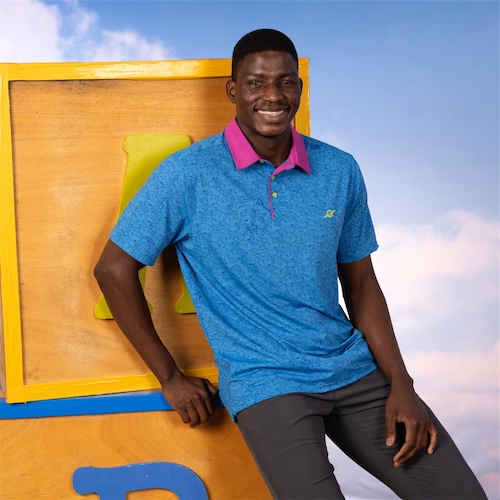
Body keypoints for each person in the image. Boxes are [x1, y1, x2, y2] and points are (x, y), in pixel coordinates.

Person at [94, 28, 486, 499]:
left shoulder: (339, 169)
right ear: (233, 90)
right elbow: (113, 268)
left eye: (285, 82)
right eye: (256, 83)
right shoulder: (187, 174)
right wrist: (170, 377)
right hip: (266, 380)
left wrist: (402, 384)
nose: (273, 95)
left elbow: (362, 286)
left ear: (299, 88)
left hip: (352, 368)